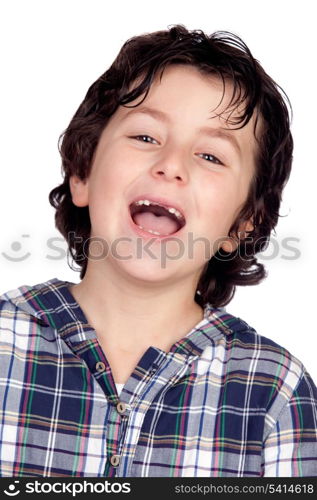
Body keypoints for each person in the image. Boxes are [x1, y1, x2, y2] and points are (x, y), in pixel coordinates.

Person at [0, 24, 316, 478]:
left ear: (242, 223)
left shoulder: (274, 394)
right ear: (83, 174)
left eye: (211, 156)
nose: (171, 165)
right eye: (146, 137)